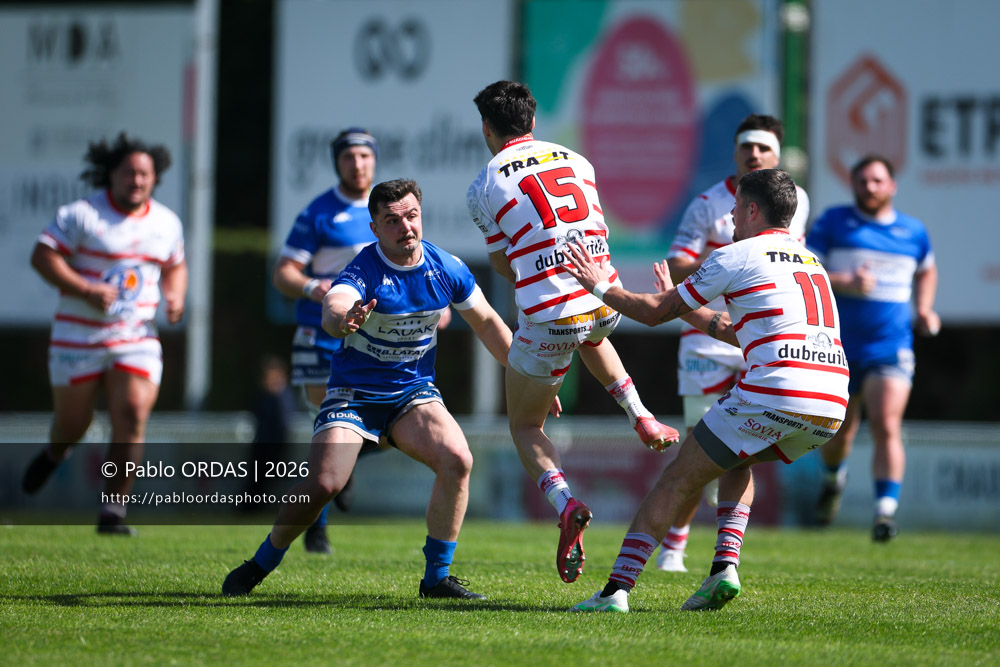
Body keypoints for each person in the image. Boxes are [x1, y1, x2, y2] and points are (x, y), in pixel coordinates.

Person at [562, 169, 848, 612]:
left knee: (676, 480)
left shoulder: (737, 254)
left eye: (736, 206)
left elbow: (655, 313)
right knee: (738, 457)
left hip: (777, 389)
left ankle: (615, 592)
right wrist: (691, 315)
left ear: (753, 210)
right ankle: (723, 570)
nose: (731, 214)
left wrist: (599, 285)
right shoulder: (812, 264)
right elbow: (745, 332)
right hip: (831, 402)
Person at [223, 178, 517, 600]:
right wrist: (343, 319)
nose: (406, 227)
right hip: (354, 396)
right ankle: (261, 562)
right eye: (392, 220)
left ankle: (436, 578)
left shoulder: (447, 267)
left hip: (412, 395)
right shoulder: (363, 268)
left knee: (458, 459)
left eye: (411, 216)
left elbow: (488, 323)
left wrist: (525, 375)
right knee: (325, 484)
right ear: (375, 227)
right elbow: (333, 305)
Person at [467, 80, 680, 585]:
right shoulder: (578, 160)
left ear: (487, 129)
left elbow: (506, 264)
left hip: (547, 315)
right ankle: (641, 414)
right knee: (593, 336)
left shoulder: (484, 184)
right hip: (603, 299)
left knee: (524, 425)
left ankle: (565, 503)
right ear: (534, 122)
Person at [658, 114, 810, 572]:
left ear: (777, 155)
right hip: (705, 338)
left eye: (763, 148)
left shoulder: (796, 200)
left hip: (763, 340)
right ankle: (675, 549)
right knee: (698, 445)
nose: (754, 154)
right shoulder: (708, 204)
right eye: (747, 146)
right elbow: (679, 264)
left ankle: (720, 555)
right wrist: (729, 269)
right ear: (735, 151)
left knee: (735, 451)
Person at [21, 132, 188, 535]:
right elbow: (42, 257)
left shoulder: (166, 222)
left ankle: (113, 511)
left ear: (155, 178)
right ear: (110, 175)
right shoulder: (81, 215)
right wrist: (86, 289)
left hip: (136, 335)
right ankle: (56, 450)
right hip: (78, 335)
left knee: (131, 413)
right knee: (73, 424)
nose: (136, 180)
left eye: (144, 173)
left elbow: (175, 265)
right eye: (129, 172)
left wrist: (176, 295)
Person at [805, 155, 939, 542]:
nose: (870, 187)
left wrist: (925, 309)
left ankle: (885, 514)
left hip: (890, 347)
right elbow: (806, 270)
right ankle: (833, 481)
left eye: (877, 180)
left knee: (886, 424)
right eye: (863, 181)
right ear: (853, 185)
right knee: (838, 432)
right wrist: (844, 281)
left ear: (892, 186)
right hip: (836, 347)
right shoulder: (833, 222)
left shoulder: (913, 231)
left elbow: (927, 269)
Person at [272, 127, 381, 553]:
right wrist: (312, 287)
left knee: (384, 428)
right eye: (349, 157)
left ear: (374, 160)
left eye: (364, 156)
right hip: (319, 336)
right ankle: (317, 529)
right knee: (327, 427)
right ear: (338, 162)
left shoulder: (386, 210)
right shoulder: (318, 212)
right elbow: (283, 272)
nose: (357, 164)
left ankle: (348, 466)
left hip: (371, 338)